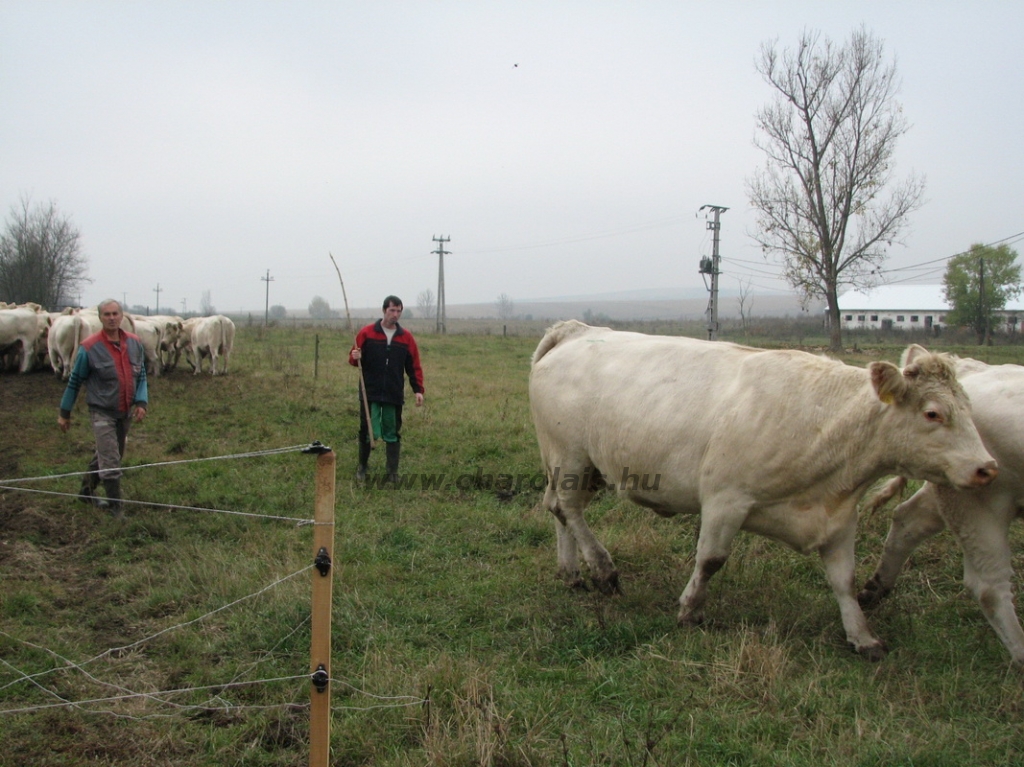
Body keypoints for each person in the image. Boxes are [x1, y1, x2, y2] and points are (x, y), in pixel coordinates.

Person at [58, 299, 148, 518]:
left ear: (122, 316)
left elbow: (141, 374)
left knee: (109, 453)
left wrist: (141, 402)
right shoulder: (89, 348)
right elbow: (75, 381)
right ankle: (116, 508)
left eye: (115, 313)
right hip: (102, 411)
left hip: (124, 410)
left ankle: (85, 492)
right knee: (110, 459)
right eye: (106, 314)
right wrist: (64, 413)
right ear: (100, 318)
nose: (111, 318)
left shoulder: (135, 343)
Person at [348, 295, 424, 482]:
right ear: (384, 311)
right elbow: (353, 360)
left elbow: (413, 365)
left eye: (398, 311)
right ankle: (362, 468)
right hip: (370, 392)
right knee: (367, 430)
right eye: (392, 310)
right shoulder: (366, 333)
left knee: (392, 431)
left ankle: (392, 473)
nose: (395, 314)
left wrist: (418, 389)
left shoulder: (406, 338)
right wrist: (355, 355)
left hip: (393, 392)